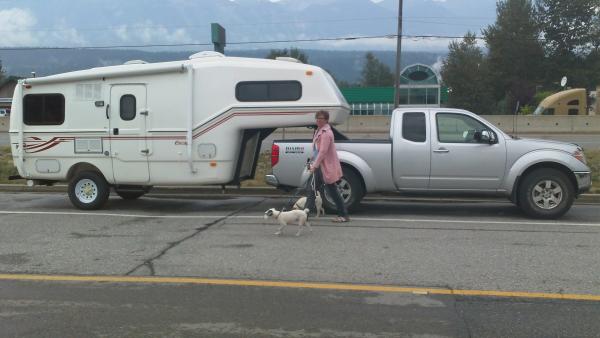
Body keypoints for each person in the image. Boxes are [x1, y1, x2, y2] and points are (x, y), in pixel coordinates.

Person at [305, 110, 350, 223]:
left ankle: (343, 215)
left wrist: (314, 165)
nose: (319, 120)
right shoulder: (319, 131)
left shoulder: (326, 133)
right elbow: (317, 150)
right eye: (317, 118)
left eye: (321, 118)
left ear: (326, 120)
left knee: (331, 190)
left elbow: (323, 152)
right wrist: (312, 159)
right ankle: (305, 213)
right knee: (311, 188)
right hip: (320, 165)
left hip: (324, 166)